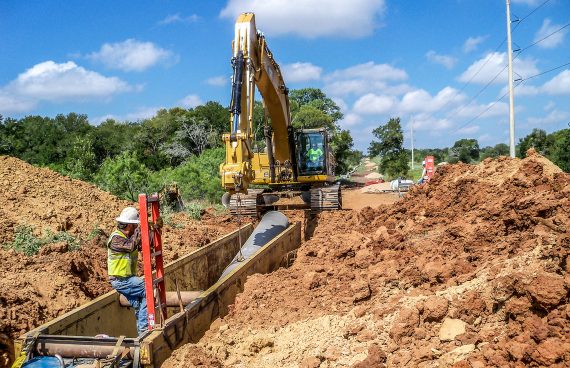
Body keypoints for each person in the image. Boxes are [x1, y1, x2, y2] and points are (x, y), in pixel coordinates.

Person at [107, 206, 148, 335]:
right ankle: (144, 329)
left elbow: (142, 244)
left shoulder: (130, 238)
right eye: (135, 225)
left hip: (128, 279)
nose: (136, 228)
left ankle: (142, 334)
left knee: (140, 303)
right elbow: (130, 246)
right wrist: (142, 230)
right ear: (130, 226)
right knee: (149, 290)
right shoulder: (116, 239)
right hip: (121, 281)